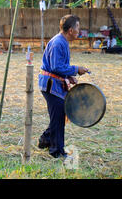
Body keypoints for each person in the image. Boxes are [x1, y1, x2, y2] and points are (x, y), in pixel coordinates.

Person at [38, 14, 88, 160]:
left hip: (55, 83)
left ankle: (45, 140)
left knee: (58, 116)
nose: (79, 31)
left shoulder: (63, 42)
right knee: (58, 117)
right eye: (78, 27)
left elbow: (60, 67)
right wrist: (75, 69)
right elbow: (56, 66)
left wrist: (69, 76)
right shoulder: (58, 43)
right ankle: (56, 151)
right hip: (50, 85)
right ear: (71, 30)